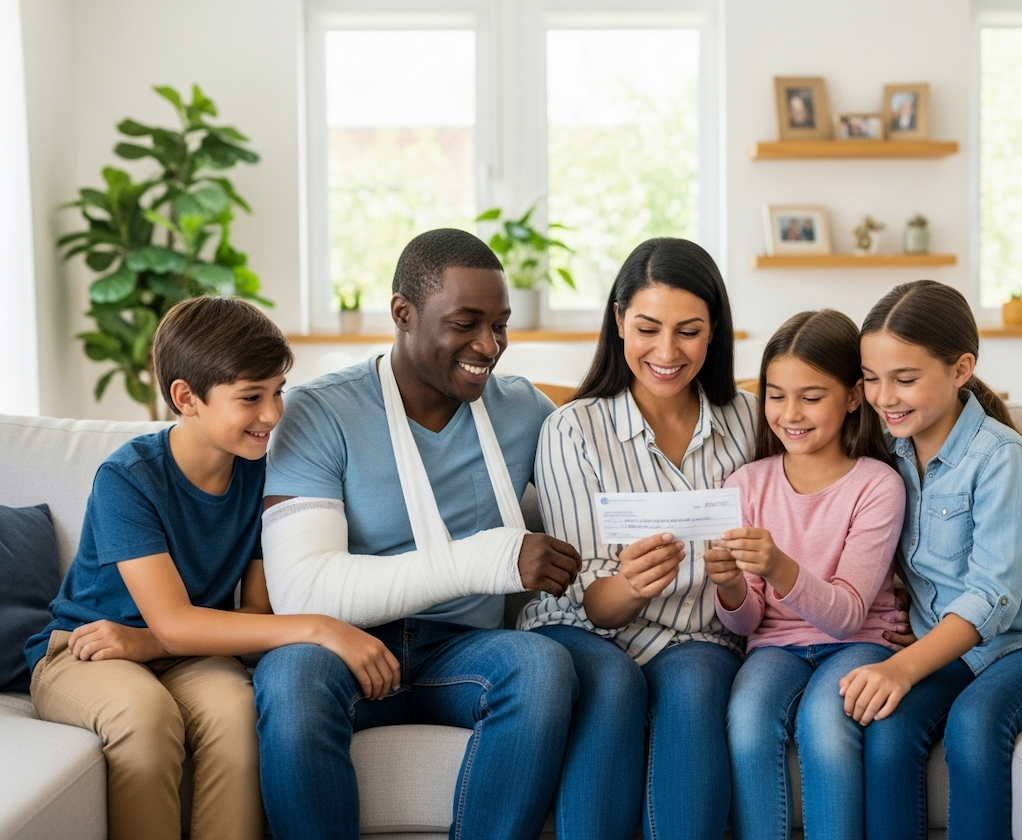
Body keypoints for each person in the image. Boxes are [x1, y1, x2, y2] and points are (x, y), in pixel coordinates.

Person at [24, 296, 398, 840]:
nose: (273, 415)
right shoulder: (128, 479)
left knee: (235, 711)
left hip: (187, 651)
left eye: (278, 392)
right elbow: (175, 621)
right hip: (85, 647)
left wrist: (147, 645)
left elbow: (252, 613)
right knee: (145, 718)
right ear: (186, 397)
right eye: (251, 397)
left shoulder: (265, 473)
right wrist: (323, 627)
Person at [253, 228, 581, 840]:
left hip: (462, 649)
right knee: (290, 680)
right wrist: (487, 561)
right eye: (466, 323)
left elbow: (596, 486)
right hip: (346, 646)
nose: (489, 345)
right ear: (403, 314)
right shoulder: (318, 414)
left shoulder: (524, 411)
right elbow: (302, 590)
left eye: (501, 325)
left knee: (542, 667)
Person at [518, 237, 756, 840]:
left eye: (689, 331)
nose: (667, 352)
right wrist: (627, 584)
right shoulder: (573, 428)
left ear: (715, 331)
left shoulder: (750, 421)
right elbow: (584, 595)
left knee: (699, 683)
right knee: (613, 684)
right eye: (648, 327)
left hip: (698, 634)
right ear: (619, 321)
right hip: (587, 626)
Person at [851, 279, 1022, 840]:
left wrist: (903, 668)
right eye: (871, 378)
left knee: (976, 723)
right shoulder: (889, 450)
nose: (884, 396)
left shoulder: (998, 458)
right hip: (953, 651)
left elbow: (993, 598)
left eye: (905, 379)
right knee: (886, 730)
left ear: (961, 370)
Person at [705, 309, 907, 840]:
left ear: (854, 395)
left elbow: (845, 617)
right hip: (774, 646)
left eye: (811, 396)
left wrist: (778, 565)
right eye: (775, 394)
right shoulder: (745, 484)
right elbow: (748, 622)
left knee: (825, 722)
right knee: (747, 722)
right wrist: (730, 584)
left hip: (859, 642)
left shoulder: (877, 486)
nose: (790, 413)